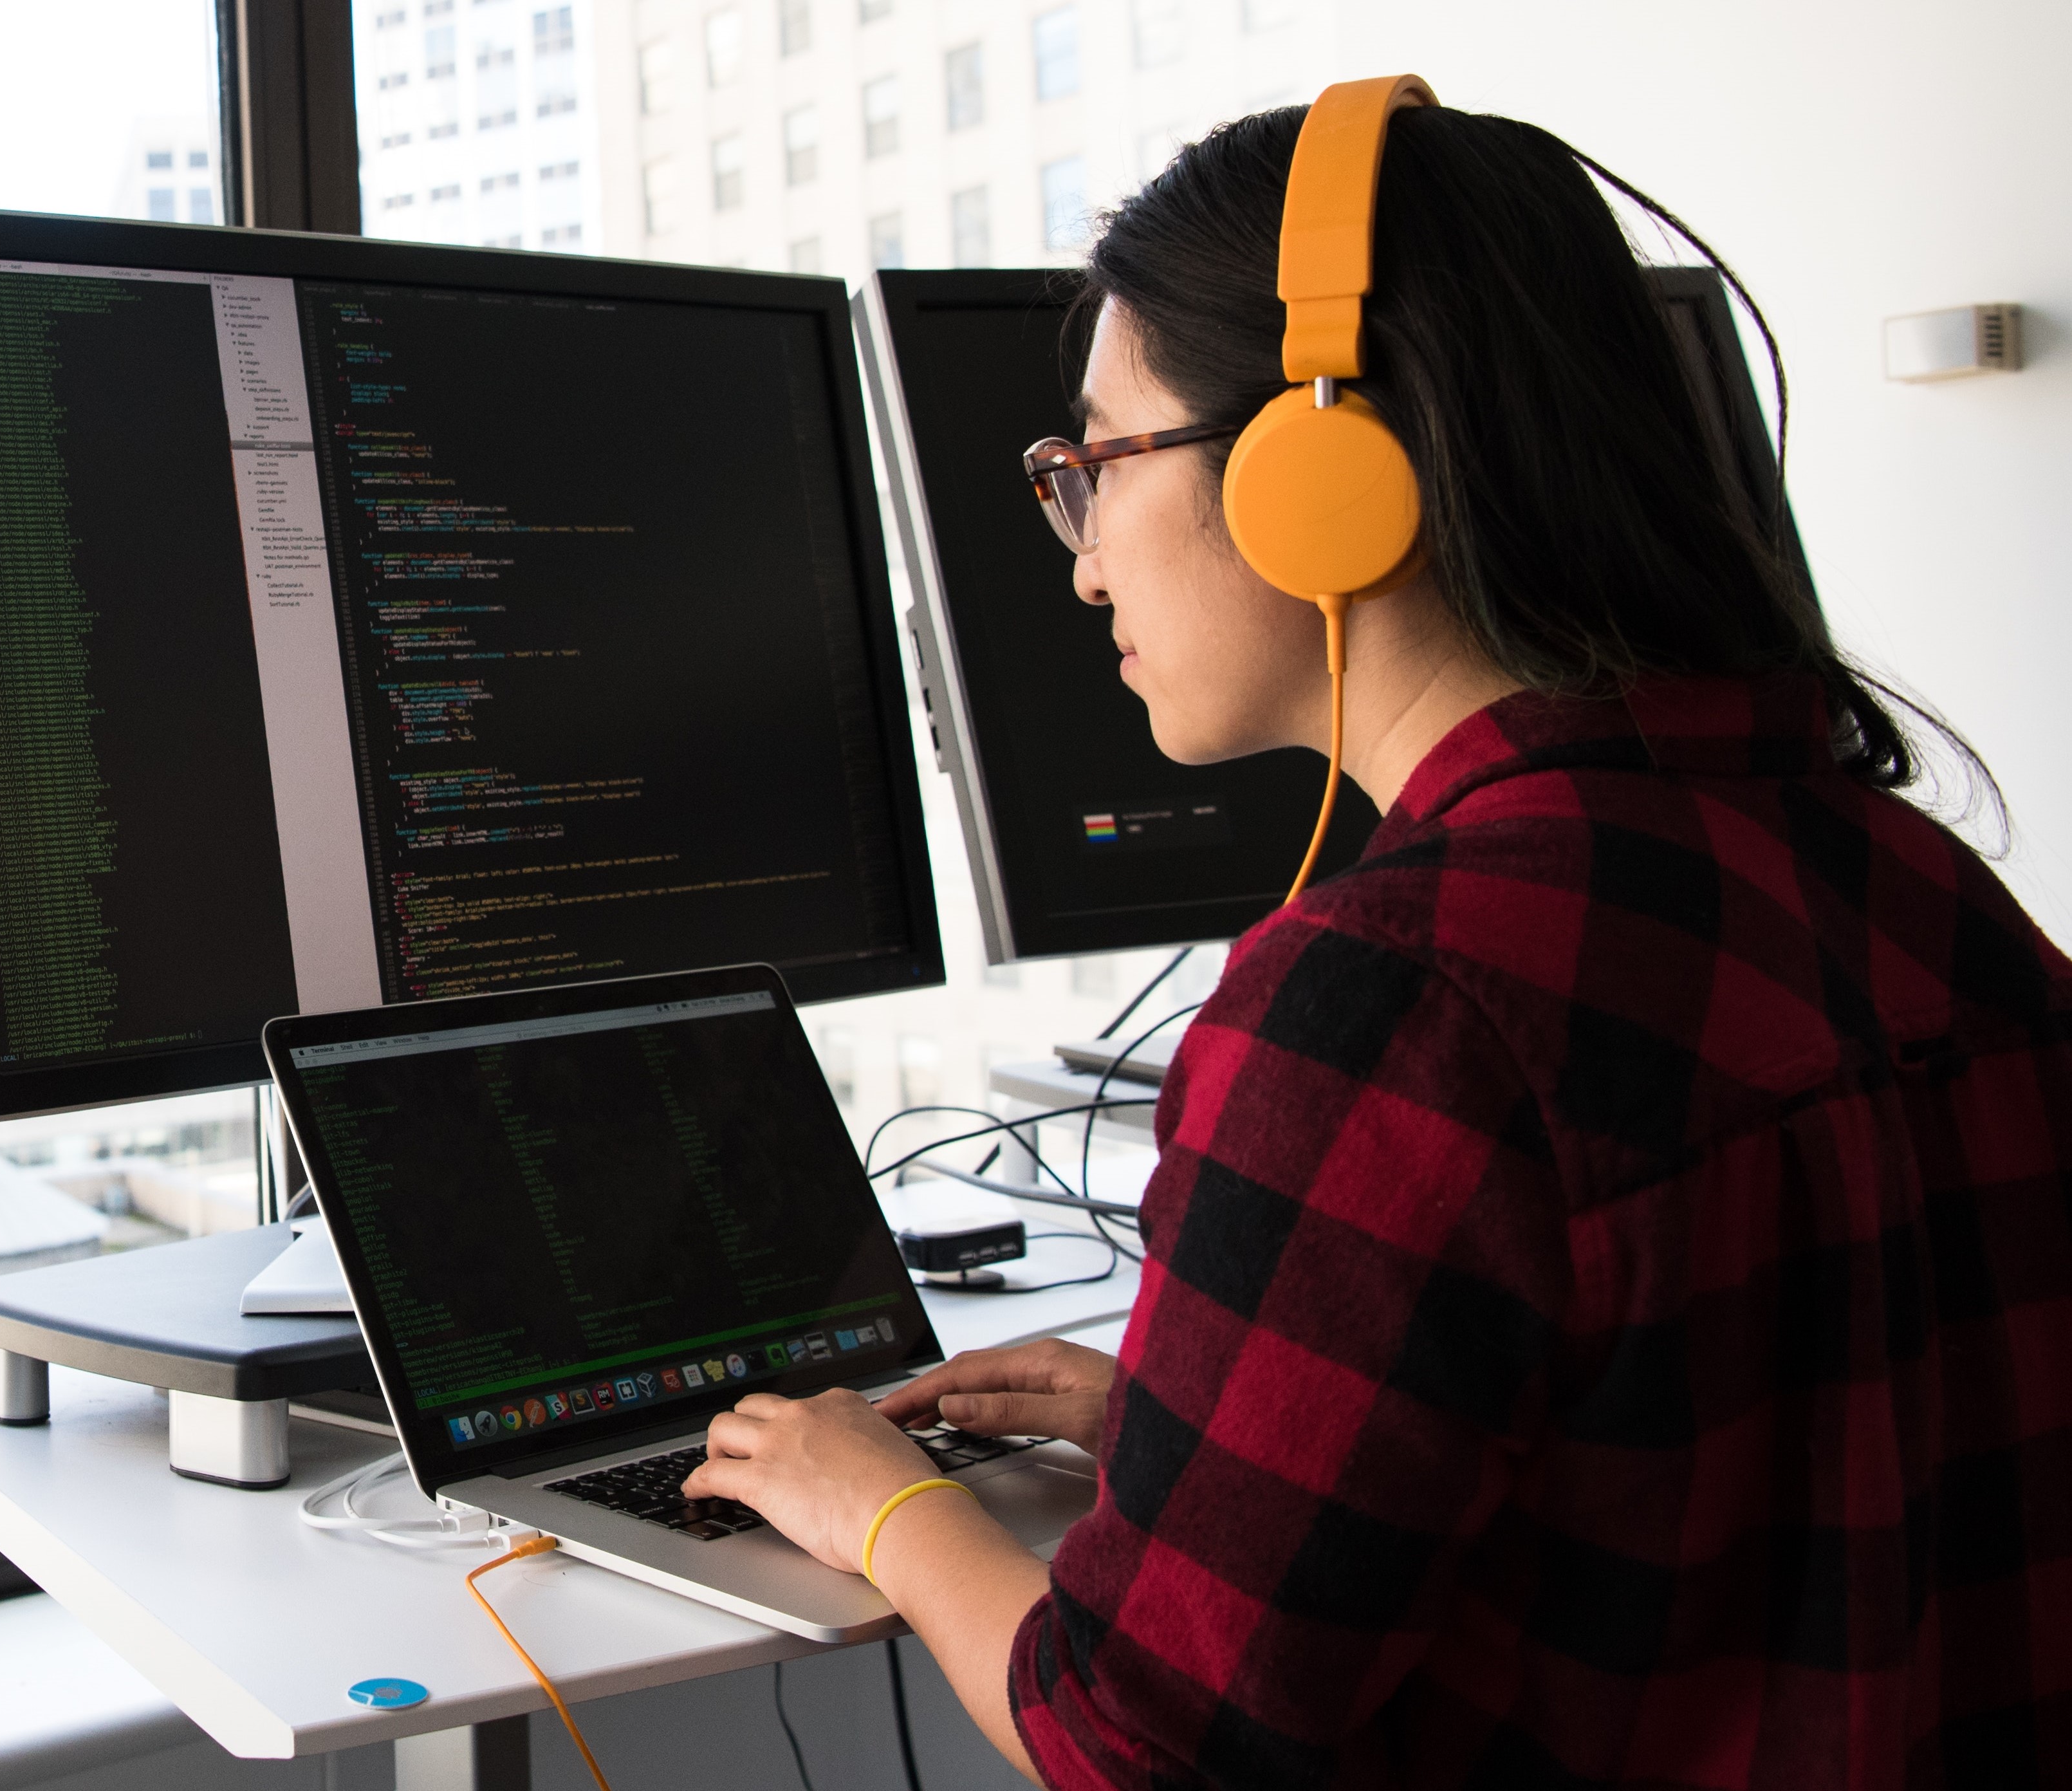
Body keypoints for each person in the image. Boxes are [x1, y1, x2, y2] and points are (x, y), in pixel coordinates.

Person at [683, 92, 2071, 1788]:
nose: (1083, 569)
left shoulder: (1390, 1006)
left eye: (1094, 468)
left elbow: (1137, 1743)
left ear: (1322, 476)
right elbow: (1763, 1487)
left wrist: (882, 1507)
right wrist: (1199, 1453)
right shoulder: (1920, 882)